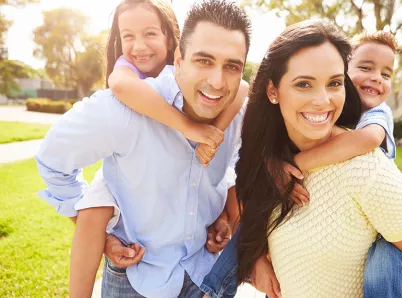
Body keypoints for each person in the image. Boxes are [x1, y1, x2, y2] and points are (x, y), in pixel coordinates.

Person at [35, 0, 251, 297]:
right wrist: (101, 233)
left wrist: (223, 216)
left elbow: (233, 167)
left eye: (231, 66)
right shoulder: (123, 109)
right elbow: (51, 161)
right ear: (180, 59)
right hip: (137, 281)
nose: (217, 80)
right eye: (203, 60)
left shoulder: (238, 109)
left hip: (206, 275)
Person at [235, 20, 402, 297]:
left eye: (334, 83)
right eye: (304, 84)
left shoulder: (366, 169)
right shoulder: (269, 158)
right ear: (272, 90)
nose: (323, 100)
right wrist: (256, 258)